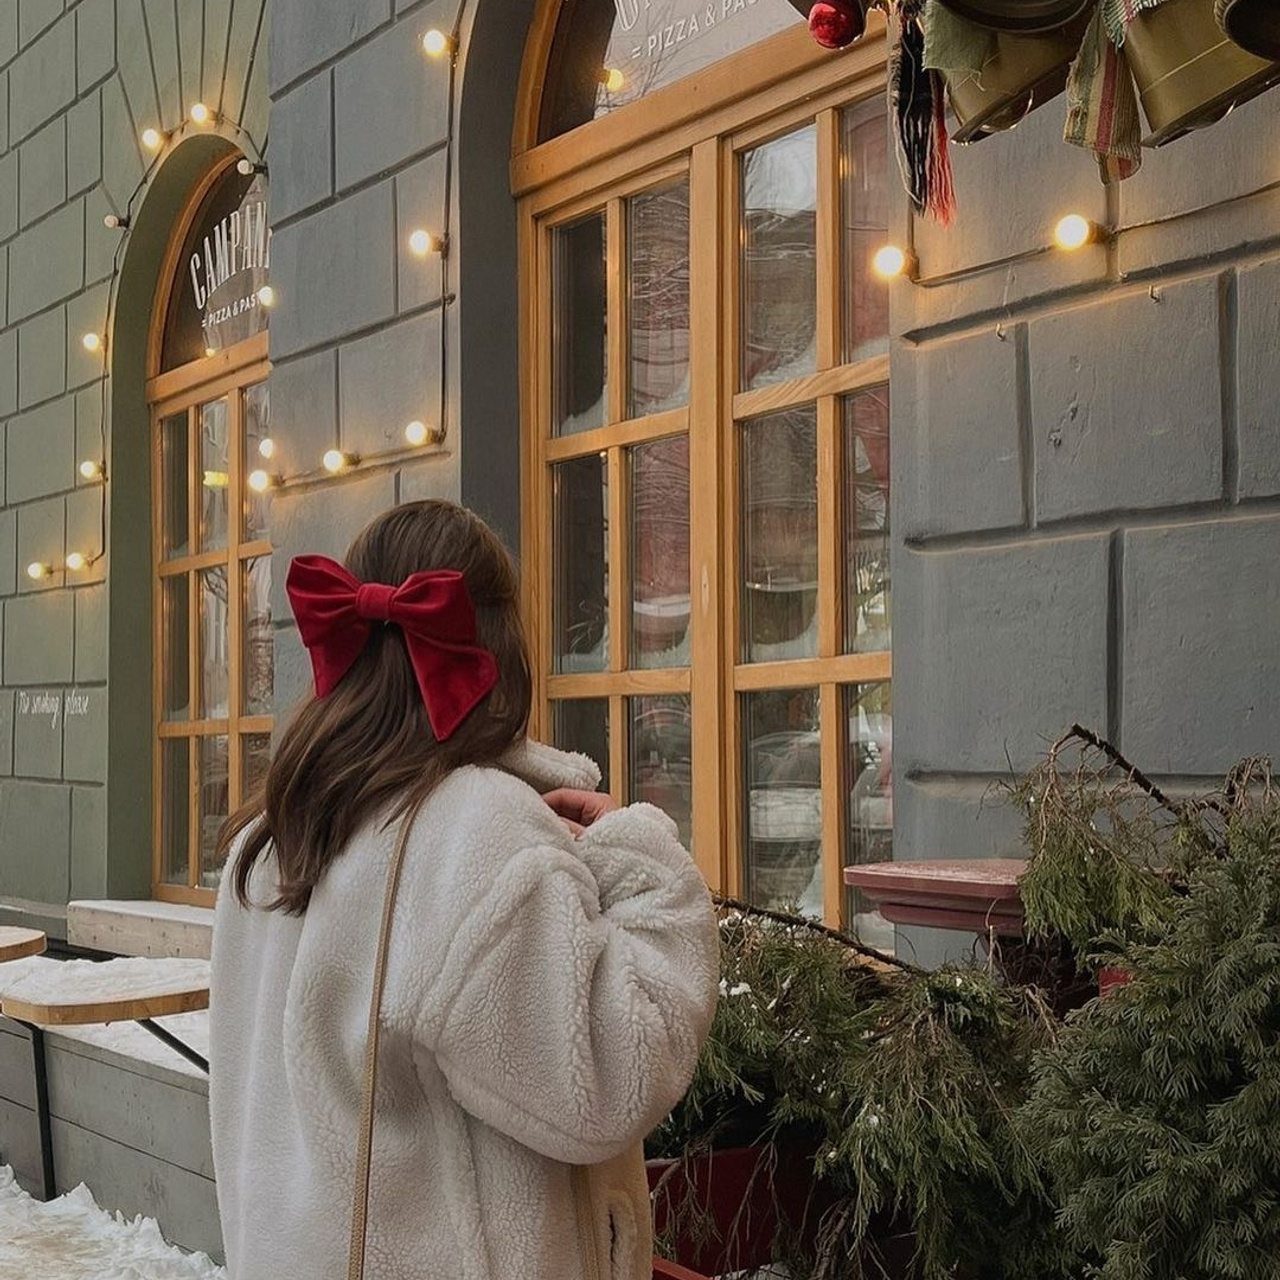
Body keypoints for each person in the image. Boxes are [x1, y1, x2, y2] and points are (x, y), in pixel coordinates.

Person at [208, 500, 720, 1280]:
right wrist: (637, 850)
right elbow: (619, 1068)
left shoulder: (268, 837)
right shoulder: (468, 835)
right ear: (499, 643)